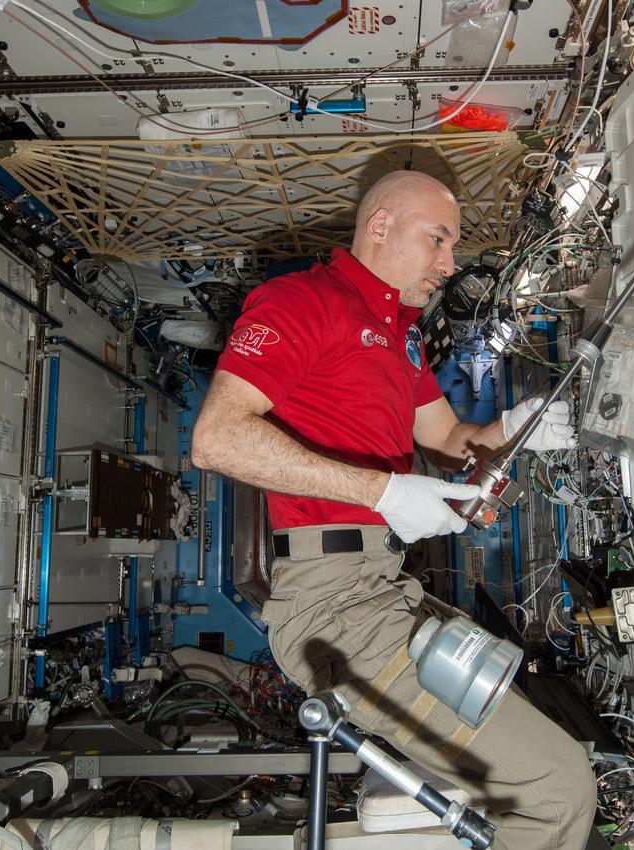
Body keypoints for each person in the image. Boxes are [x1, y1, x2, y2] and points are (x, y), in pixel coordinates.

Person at [191, 170, 597, 850]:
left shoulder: (400, 335)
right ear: (379, 226)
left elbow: (444, 439)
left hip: (384, 588)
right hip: (336, 606)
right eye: (438, 240)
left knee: (533, 756)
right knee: (559, 789)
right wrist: (384, 492)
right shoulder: (303, 301)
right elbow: (217, 438)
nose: (449, 263)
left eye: (453, 246)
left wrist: (516, 426)